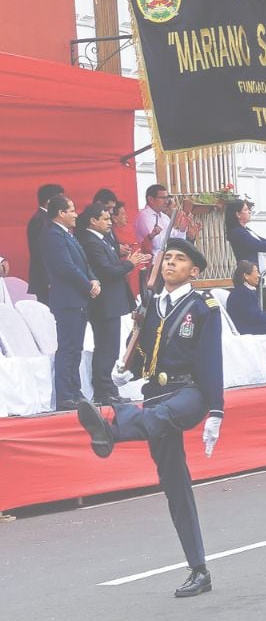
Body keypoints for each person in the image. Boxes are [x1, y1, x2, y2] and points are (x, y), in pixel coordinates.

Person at [75, 238, 225, 598]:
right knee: (175, 485)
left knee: (159, 418)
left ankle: (114, 428)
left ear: (195, 270)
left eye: (180, 259)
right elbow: (142, 350)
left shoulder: (204, 306)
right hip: (156, 394)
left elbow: (211, 360)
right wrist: (128, 370)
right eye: (167, 258)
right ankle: (199, 569)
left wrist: (216, 410)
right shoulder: (153, 304)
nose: (171, 263)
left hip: (190, 393)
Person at [77, 201, 146, 404]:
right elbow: (106, 271)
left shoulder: (104, 239)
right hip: (103, 303)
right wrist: (129, 263)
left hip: (112, 302)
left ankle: (109, 389)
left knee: (111, 347)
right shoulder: (91, 242)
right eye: (105, 218)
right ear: (93, 221)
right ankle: (103, 390)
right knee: (105, 347)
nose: (109, 222)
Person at [42, 196, 100, 410]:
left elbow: (83, 262)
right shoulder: (52, 235)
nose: (76, 214)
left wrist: (93, 279)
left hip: (78, 299)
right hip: (68, 300)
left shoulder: (68, 234)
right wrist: (87, 285)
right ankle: (65, 395)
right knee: (67, 347)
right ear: (60, 213)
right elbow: (66, 267)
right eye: (72, 210)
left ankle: (75, 391)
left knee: (76, 347)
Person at [26, 183, 64, 304]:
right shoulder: (39, 221)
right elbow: (40, 253)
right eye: (60, 199)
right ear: (49, 201)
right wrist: (49, 279)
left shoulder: (48, 219)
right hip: (46, 280)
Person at [224, 198, 266, 268]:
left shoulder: (246, 229)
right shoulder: (238, 232)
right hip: (248, 271)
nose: (249, 212)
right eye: (246, 210)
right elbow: (263, 247)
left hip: (254, 270)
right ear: (238, 214)